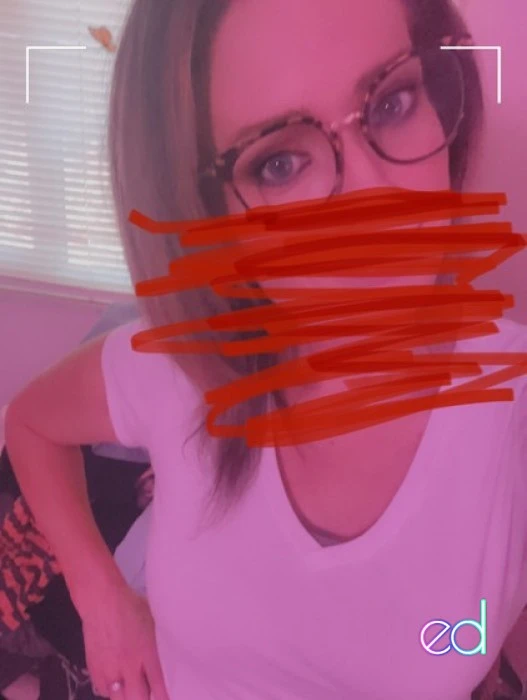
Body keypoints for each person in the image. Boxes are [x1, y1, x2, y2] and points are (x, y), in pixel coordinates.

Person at [4, 0, 527, 698]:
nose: (376, 207)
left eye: (393, 102)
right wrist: (101, 600)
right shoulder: (179, 364)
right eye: (279, 163)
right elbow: (31, 423)